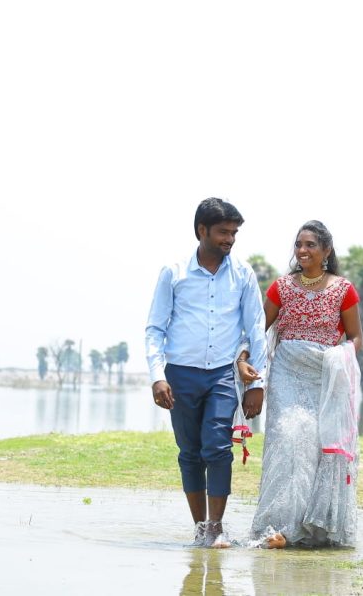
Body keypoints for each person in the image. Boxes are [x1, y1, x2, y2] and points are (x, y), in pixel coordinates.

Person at [145, 197, 269, 548]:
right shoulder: (174, 273)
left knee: (217, 448)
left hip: (222, 376)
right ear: (202, 230)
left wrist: (258, 383)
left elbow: (256, 328)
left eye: (234, 233)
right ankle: (200, 527)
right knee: (189, 452)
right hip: (180, 375)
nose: (230, 239)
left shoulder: (243, 274)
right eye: (223, 232)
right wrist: (157, 376)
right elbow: (155, 328)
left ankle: (215, 527)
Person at [243, 220, 363, 549]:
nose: (302, 250)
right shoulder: (281, 287)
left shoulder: (343, 289)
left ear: (326, 250)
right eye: (298, 244)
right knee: (287, 439)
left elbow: (356, 338)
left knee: (313, 444)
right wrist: (244, 358)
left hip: (324, 376)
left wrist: (340, 356)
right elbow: (258, 332)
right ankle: (277, 526)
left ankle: (310, 529)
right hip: (286, 372)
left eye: (310, 244)